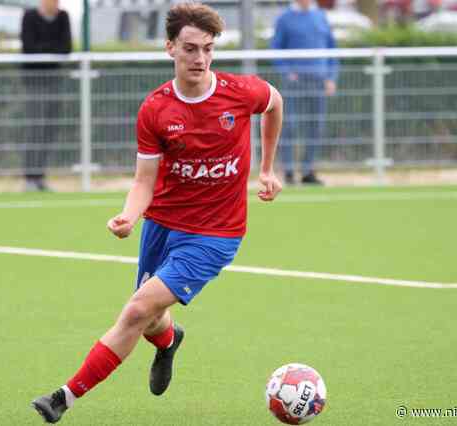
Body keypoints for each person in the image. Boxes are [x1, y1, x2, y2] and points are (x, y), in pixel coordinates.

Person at [31, 3, 284, 423]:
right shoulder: (155, 110)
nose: (200, 58)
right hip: (162, 225)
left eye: (207, 48)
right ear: (170, 48)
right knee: (151, 319)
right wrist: (129, 216)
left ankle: (63, 397)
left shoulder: (240, 93)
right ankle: (168, 342)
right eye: (190, 48)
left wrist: (268, 167)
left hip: (216, 234)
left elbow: (275, 102)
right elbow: (144, 180)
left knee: (134, 310)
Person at [271, 0, 339, 185]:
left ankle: (308, 171)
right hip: (295, 83)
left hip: (319, 81)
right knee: (289, 126)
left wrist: (331, 77)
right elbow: (276, 48)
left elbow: (332, 48)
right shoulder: (284, 18)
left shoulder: (321, 16)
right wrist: (287, 72)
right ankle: (289, 172)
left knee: (316, 127)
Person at [20, 0, 72, 191]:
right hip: (34, 81)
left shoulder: (63, 17)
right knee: (36, 127)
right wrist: (51, 50)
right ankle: (30, 177)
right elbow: (29, 47)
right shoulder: (30, 16)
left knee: (50, 128)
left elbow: (65, 47)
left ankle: (40, 176)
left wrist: (47, 50)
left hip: (54, 80)